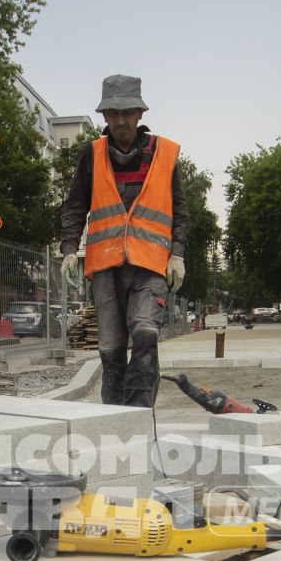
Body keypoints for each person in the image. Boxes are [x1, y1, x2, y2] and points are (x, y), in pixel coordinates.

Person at [59, 75, 187, 408]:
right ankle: (114, 419)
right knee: (111, 352)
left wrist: (178, 254)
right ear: (103, 116)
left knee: (145, 336)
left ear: (140, 113)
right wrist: (70, 250)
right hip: (106, 267)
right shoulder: (92, 155)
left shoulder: (164, 155)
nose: (119, 120)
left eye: (126, 112)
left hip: (150, 266)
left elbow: (180, 212)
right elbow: (75, 206)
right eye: (112, 113)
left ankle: (140, 416)